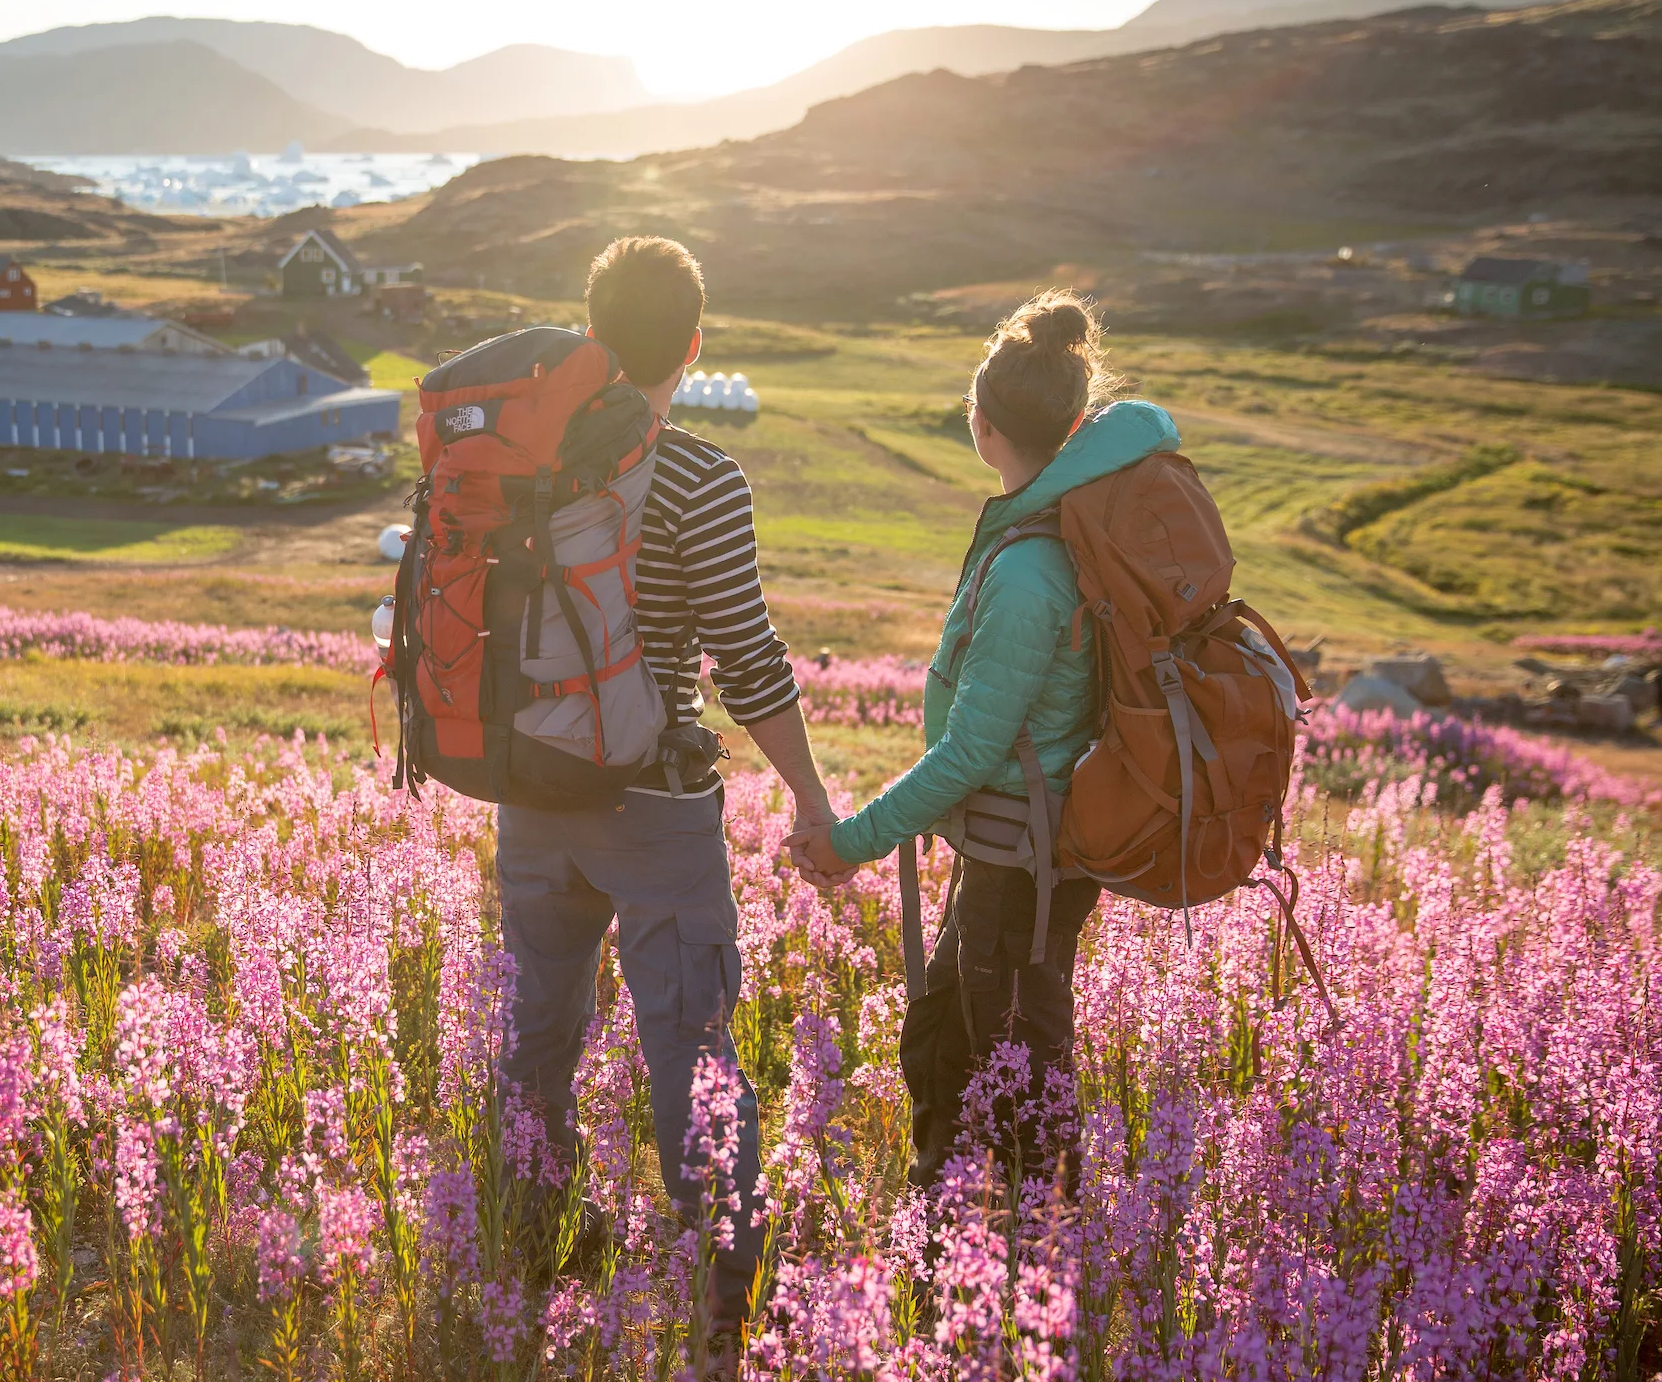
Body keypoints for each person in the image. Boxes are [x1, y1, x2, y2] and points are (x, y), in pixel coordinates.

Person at [497, 235, 842, 1327]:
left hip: (529, 789)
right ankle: (725, 1290)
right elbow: (748, 657)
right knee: (689, 1041)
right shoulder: (700, 475)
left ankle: (528, 1235)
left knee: (540, 1020)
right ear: (693, 345)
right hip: (651, 800)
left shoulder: (525, 461)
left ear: (592, 334)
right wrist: (813, 798)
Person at [787, 291, 1181, 1189]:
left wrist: (849, 843)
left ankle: (1029, 1243)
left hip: (1020, 859)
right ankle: (983, 1224)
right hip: (1020, 847)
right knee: (979, 1041)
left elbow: (971, 752)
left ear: (982, 421)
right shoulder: (1056, 521)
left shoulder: (1033, 567)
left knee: (1015, 1063)